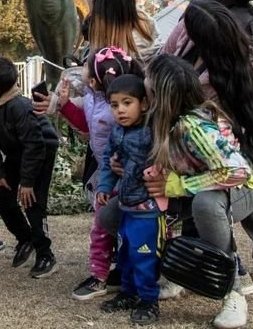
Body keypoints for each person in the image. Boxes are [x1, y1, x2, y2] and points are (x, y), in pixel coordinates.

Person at [165, 0, 253, 287]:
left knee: (232, 185)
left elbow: (225, 82)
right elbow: (171, 49)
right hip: (197, 115)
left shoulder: (240, 25)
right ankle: (207, 262)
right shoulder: (201, 6)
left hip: (225, 119)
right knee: (221, 189)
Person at [140, 53, 253, 329]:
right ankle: (178, 274)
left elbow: (237, 172)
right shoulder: (163, 120)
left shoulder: (193, 126)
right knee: (127, 208)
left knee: (206, 205)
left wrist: (178, 185)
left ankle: (234, 293)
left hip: (239, 192)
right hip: (200, 189)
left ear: (162, 92)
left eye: (148, 77)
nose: (143, 81)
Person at [55, 46, 141, 300]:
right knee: (102, 226)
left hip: (129, 176)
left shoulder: (119, 105)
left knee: (133, 227)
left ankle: (139, 274)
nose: (120, 109)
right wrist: (65, 105)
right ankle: (101, 274)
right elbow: (87, 126)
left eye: (85, 64)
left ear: (93, 78)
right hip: (106, 172)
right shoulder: (94, 96)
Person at [0, 55, 59, 279]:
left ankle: (45, 254)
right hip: (17, 152)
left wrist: (27, 182)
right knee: (2, 195)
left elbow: (35, 144)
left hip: (40, 151)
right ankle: (25, 237)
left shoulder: (18, 106)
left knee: (32, 201)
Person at [96, 74, 162, 326]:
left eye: (127, 103)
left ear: (143, 104)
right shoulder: (117, 133)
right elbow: (107, 160)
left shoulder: (150, 132)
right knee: (124, 253)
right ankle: (128, 292)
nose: (120, 110)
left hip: (148, 210)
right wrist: (105, 185)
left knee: (144, 256)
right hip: (126, 207)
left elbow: (162, 161)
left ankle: (148, 299)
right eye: (114, 105)